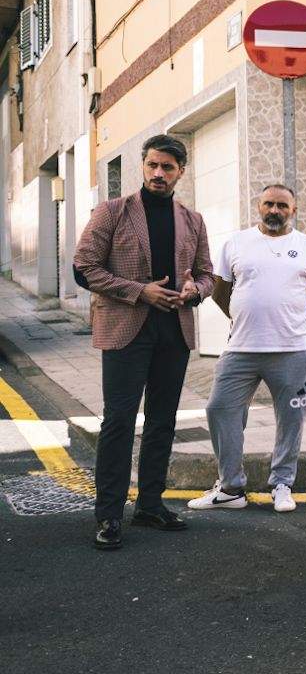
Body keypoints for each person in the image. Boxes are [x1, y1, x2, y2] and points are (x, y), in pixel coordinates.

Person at [73, 134, 215, 550]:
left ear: (180, 172)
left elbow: (206, 273)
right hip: (125, 330)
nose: (159, 173)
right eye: (153, 165)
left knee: (161, 421)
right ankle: (109, 515)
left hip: (173, 332)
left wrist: (195, 291)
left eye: (167, 168)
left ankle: (150, 504)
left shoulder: (193, 219)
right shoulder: (112, 212)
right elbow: (84, 268)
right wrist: (140, 291)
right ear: (143, 165)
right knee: (118, 421)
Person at [188, 185, 306, 514]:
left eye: (283, 205)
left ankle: (282, 483)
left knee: (291, 418)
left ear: (293, 210)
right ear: (259, 206)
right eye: (269, 203)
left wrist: (297, 322)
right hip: (241, 349)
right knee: (219, 408)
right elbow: (220, 291)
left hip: (291, 350)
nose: (275, 210)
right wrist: (242, 318)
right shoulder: (237, 243)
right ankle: (230, 487)